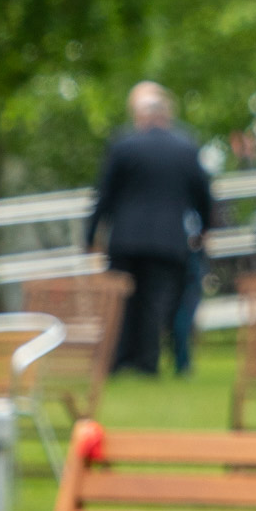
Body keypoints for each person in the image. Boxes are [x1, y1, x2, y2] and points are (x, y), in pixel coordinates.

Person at [85, 83, 211, 377]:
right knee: (156, 303)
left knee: (121, 301)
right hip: (168, 241)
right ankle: (147, 362)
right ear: (166, 116)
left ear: (142, 117)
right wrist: (204, 230)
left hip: (125, 239)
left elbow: (104, 195)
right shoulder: (186, 147)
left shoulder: (123, 145)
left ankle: (117, 360)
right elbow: (203, 195)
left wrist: (90, 235)